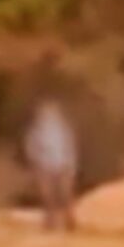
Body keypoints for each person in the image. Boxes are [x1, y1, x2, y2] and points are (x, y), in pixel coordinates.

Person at [25, 99, 78, 231]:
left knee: (66, 195)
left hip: (63, 166)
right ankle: (50, 223)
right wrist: (36, 164)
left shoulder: (63, 130)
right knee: (48, 196)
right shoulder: (36, 132)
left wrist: (71, 166)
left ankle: (70, 222)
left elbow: (70, 148)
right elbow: (31, 148)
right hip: (45, 167)